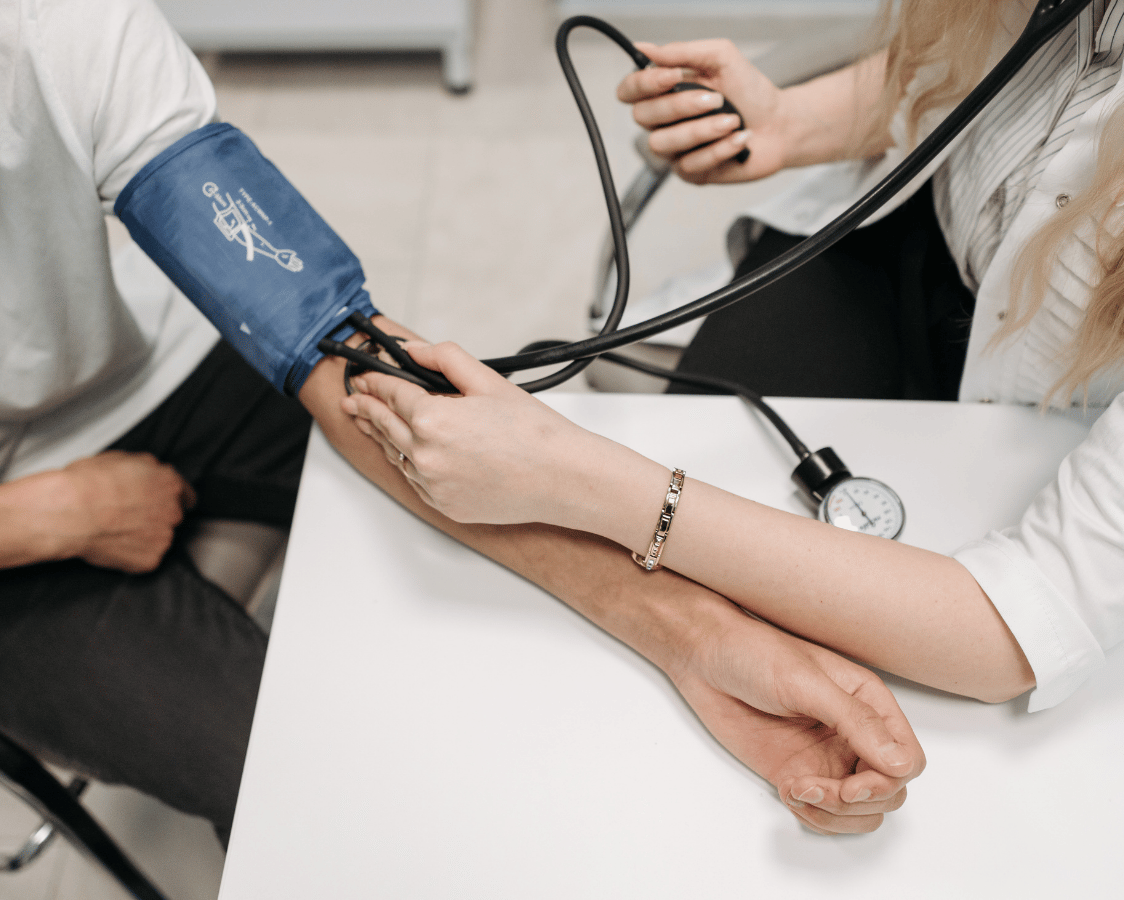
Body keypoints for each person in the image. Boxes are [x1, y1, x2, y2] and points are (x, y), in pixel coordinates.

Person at [0, 0, 923, 845]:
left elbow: (332, 348)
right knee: (309, 799)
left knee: (474, 475)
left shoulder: (52, 25)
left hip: (153, 367)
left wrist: (694, 633)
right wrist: (49, 516)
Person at [340, 0, 1124, 827]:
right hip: (899, 253)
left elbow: (1024, 626)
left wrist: (568, 473)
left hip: (1049, 409)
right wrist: (792, 124)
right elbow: (996, 77)